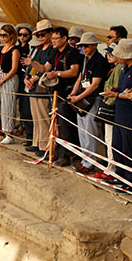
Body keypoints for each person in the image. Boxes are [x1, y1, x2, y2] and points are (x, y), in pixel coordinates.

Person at [102, 39, 132, 192]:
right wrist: (116, 90)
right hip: (120, 114)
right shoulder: (123, 68)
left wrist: (117, 94)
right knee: (117, 146)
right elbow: (125, 90)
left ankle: (130, 181)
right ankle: (120, 175)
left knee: (129, 149)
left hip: (131, 115)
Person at [67, 32, 108, 174]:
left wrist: (77, 98)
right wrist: (74, 92)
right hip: (83, 96)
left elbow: (95, 85)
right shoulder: (85, 59)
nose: (83, 48)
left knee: (90, 131)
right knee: (82, 130)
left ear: (95, 45)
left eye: (86, 46)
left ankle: (90, 163)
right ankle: (85, 160)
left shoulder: (99, 61)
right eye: (82, 46)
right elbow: (80, 77)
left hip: (92, 98)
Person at [43, 26, 82, 167]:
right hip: (54, 92)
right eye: (52, 38)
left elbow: (74, 71)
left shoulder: (72, 53)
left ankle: (66, 155)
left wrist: (57, 73)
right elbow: (45, 68)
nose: (52, 41)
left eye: (55, 38)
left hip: (67, 93)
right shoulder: (54, 52)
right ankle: (57, 152)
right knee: (56, 124)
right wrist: (32, 64)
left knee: (65, 125)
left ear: (64, 38)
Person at [93, 42, 123, 182]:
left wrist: (107, 103)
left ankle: (111, 169)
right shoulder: (115, 68)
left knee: (110, 140)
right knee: (108, 139)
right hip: (111, 105)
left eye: (112, 53)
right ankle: (110, 167)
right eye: (108, 53)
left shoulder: (118, 69)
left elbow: (114, 89)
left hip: (112, 107)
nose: (109, 56)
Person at [24, 19, 54, 157]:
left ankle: (45, 145)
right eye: (38, 35)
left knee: (43, 117)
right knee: (35, 116)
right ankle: (37, 142)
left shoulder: (51, 49)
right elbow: (31, 67)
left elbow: (45, 68)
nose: (41, 38)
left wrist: (33, 78)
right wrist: (27, 78)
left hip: (41, 87)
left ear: (50, 33)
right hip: (33, 86)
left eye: (43, 35)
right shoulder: (38, 49)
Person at [0, 24, 20, 144]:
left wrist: (2, 80)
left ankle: (9, 132)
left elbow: (14, 69)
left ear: (11, 35)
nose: (2, 38)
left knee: (8, 105)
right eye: (1, 35)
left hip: (8, 78)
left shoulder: (15, 50)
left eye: (5, 35)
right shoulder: (1, 49)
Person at [16, 23, 34, 146]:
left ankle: (28, 131)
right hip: (18, 77)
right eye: (20, 35)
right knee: (21, 104)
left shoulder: (30, 48)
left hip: (27, 78)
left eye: (25, 35)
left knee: (27, 106)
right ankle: (21, 124)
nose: (22, 37)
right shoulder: (17, 48)